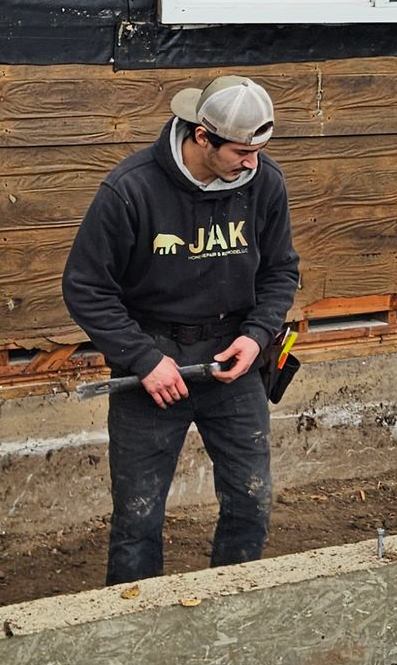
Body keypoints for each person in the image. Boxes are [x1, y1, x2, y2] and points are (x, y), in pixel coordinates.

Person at [62, 75, 300, 583]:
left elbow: (281, 271)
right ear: (201, 136)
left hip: (232, 361)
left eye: (260, 150)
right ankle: (135, 623)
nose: (252, 162)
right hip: (152, 361)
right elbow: (86, 287)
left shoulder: (265, 182)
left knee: (251, 499)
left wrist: (257, 334)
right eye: (241, 150)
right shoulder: (131, 190)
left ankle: (230, 605)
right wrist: (144, 359)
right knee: (138, 515)